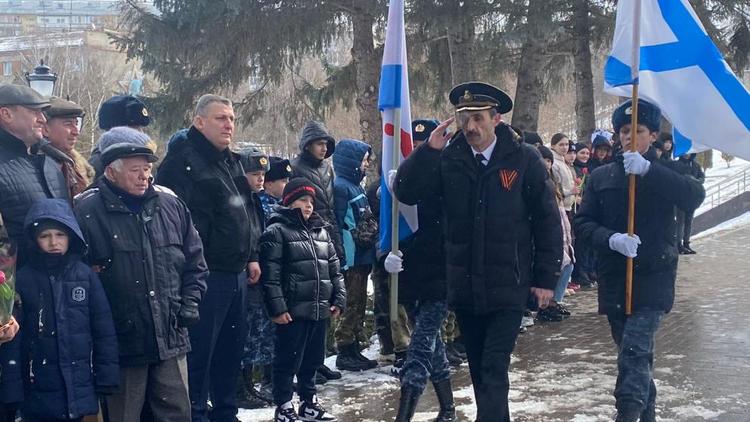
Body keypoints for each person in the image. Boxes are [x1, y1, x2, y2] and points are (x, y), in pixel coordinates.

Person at [393, 82, 562, 421]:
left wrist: (546, 278)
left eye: (479, 118)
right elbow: (406, 191)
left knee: (492, 367)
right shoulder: (449, 157)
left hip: (508, 283)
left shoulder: (522, 157)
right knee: (479, 371)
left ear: (496, 118)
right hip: (465, 284)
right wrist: (427, 152)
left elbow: (547, 219)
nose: (471, 127)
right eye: (464, 118)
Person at [574, 99, 705, 422]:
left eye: (639, 130)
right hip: (616, 278)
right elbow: (584, 223)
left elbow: (693, 196)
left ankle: (627, 414)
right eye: (623, 130)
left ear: (652, 135)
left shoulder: (668, 171)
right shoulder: (602, 176)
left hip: (653, 277)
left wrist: (649, 171)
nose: (630, 137)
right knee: (634, 358)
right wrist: (612, 239)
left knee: (634, 350)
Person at [75, 142, 208, 422]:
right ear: (111, 172)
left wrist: (191, 301)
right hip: (122, 341)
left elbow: (195, 262)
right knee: (123, 416)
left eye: (147, 170)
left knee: (177, 414)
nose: (144, 177)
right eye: (135, 170)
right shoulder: (87, 210)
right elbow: (77, 277)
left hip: (170, 333)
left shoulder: (170, 204)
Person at [155, 94, 255, 422]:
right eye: (220, 118)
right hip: (206, 275)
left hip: (237, 272)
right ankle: (196, 414)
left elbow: (245, 213)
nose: (229, 125)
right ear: (199, 121)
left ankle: (226, 413)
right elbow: (177, 225)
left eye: (231, 118)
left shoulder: (231, 160)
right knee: (200, 356)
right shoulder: (181, 162)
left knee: (230, 353)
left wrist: (251, 254)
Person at [17, 199, 119, 422]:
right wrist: (13, 389)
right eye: (45, 236)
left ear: (71, 236)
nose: (53, 242)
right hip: (39, 384)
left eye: (60, 235)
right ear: (34, 241)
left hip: (79, 381)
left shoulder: (85, 276)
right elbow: (17, 340)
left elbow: (103, 329)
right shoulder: (23, 279)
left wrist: (106, 375)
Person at [384, 119, 455, 422]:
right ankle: (448, 408)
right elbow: (387, 228)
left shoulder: (450, 174)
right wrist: (385, 257)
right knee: (433, 345)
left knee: (420, 347)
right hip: (411, 273)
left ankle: (404, 416)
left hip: (441, 273)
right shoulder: (395, 181)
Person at [259, 178, 346, 422]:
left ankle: (309, 402)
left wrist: (338, 299)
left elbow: (334, 269)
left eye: (310, 201)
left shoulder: (321, 231)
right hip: (293, 311)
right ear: (288, 202)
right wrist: (277, 307)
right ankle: (284, 405)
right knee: (287, 360)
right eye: (301, 200)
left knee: (313, 359)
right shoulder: (277, 231)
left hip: (319, 309)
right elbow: (271, 275)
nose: (308, 206)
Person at [290, 121, 345, 378]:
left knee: (325, 301)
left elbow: (331, 207)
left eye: (326, 144)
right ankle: (305, 366)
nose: (324, 149)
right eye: (319, 144)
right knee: (310, 304)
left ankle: (318, 361)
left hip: (328, 233)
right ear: (308, 145)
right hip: (308, 234)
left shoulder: (327, 169)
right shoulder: (297, 168)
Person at [0, 84, 68, 266]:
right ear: (6, 114)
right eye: (34, 112)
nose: (43, 119)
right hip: (15, 287)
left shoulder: (51, 162)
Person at [332, 139, 378, 372]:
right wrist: (345, 261)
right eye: (363, 160)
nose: (366, 164)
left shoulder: (355, 186)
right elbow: (340, 226)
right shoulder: (341, 187)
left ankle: (354, 347)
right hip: (352, 259)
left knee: (359, 302)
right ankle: (345, 347)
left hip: (362, 256)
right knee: (351, 302)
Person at [236, 148, 275, 409]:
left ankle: (248, 384)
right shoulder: (239, 199)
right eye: (254, 173)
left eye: (262, 174)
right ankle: (239, 388)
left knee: (252, 334)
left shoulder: (255, 200)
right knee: (242, 333)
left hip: (257, 272)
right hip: (241, 274)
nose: (260, 179)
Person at [41, 97, 95, 197]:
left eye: (76, 124)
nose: (76, 132)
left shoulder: (76, 166)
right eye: (68, 124)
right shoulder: (37, 166)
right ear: (45, 129)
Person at [90, 95, 151, 177]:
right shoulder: (99, 165)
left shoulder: (143, 159)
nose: (141, 133)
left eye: (141, 128)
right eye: (134, 128)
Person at [675, 153, 705, 254]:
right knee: (680, 221)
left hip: (692, 197)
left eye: (688, 152)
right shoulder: (677, 164)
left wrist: (696, 181)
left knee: (689, 221)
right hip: (680, 197)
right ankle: (679, 244)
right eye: (684, 153)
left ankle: (686, 243)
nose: (686, 154)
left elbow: (702, 177)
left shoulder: (695, 165)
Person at [550, 133, 578, 214]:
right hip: (559, 207)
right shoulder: (554, 163)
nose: (565, 147)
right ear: (553, 146)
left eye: (566, 144)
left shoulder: (562, 162)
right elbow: (555, 188)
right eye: (561, 145)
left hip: (568, 206)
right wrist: (571, 191)